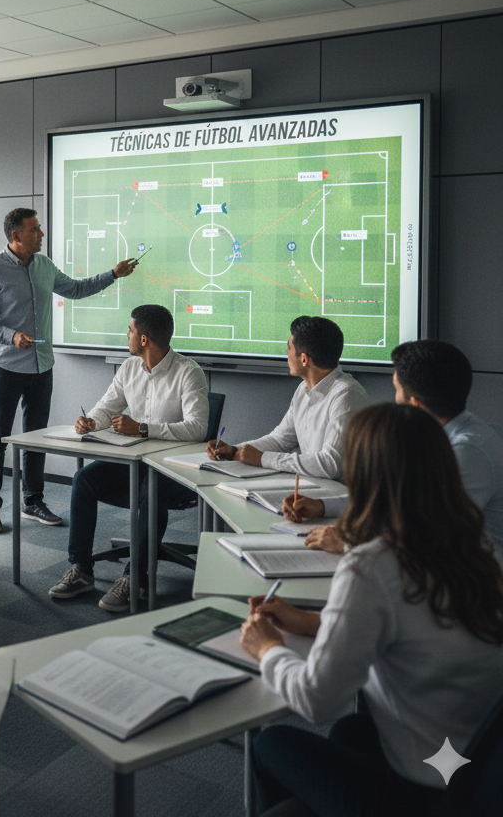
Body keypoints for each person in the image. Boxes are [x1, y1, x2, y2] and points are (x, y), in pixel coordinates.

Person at [239, 402, 503, 817]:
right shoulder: (480, 548)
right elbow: (423, 629)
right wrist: (312, 621)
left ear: (366, 477)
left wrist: (267, 648)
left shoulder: (373, 565)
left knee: (271, 742)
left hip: (419, 795)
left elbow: (317, 701)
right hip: (476, 770)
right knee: (351, 731)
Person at [0, 207, 138, 534]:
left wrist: (113, 274)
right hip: (4, 367)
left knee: (36, 437)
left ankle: (33, 501)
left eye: (40, 228)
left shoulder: (44, 266)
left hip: (41, 366)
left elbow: (75, 289)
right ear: (16, 236)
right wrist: (10, 335)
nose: (41, 234)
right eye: (35, 230)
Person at [48, 304, 208, 611]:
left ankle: (136, 579)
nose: (127, 334)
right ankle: (80, 569)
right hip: (134, 464)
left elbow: (198, 429)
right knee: (84, 480)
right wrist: (92, 421)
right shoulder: (129, 367)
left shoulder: (189, 372)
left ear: (144, 339)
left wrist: (143, 428)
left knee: (152, 490)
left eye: (131, 330)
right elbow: (108, 407)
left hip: (173, 472)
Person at [306, 339, 503, 556]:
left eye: (397, 391)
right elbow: (390, 499)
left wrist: (347, 544)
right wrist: (322, 506)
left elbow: (428, 536)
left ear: (416, 405)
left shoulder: (468, 454)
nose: (395, 400)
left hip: (470, 579)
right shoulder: (435, 432)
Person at [207, 315, 368, 524]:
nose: (286, 356)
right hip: (313, 490)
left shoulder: (347, 395)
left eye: (288, 349)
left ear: (304, 358)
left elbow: (329, 464)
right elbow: (280, 439)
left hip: (343, 503)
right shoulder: (303, 389)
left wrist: (263, 458)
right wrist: (236, 450)